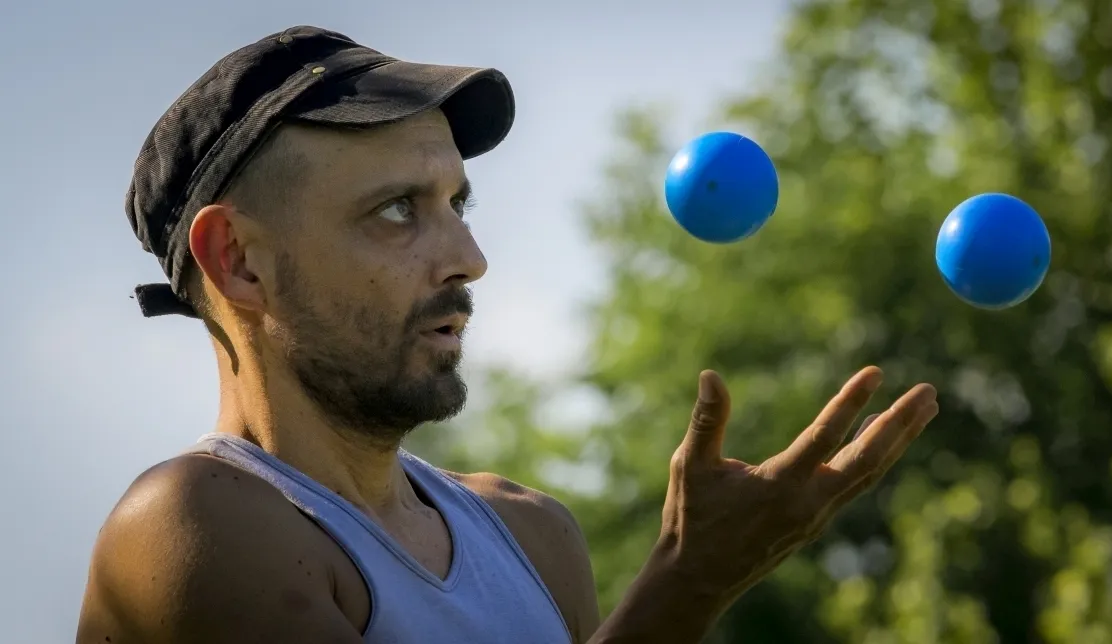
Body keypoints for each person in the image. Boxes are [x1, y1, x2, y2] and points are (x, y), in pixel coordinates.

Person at [75, 26, 939, 644]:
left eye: (459, 203)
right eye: (396, 210)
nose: (469, 259)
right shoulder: (192, 529)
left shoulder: (532, 535)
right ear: (239, 262)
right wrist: (689, 583)